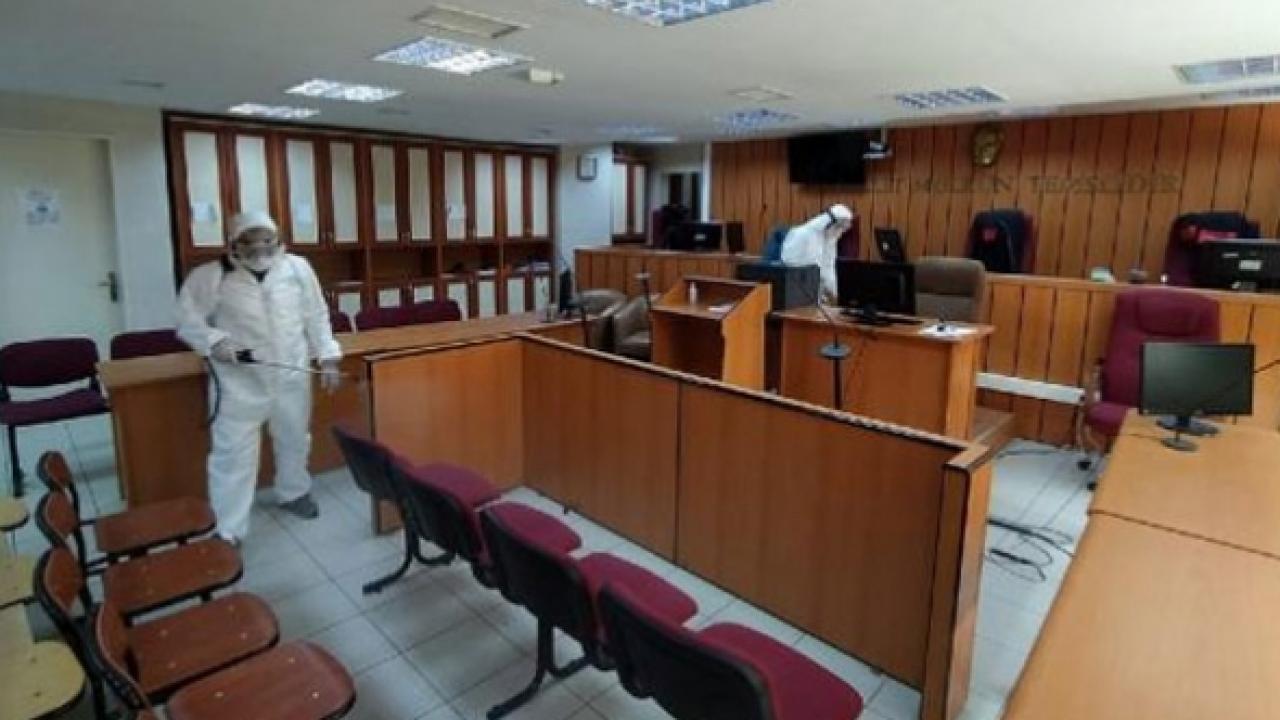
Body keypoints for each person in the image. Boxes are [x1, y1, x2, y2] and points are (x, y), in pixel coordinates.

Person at [177, 210, 342, 545]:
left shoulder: (297, 269)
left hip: (291, 374)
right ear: (234, 243)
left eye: (266, 240)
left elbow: (316, 315)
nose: (259, 248)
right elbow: (186, 319)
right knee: (233, 456)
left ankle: (294, 492)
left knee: (294, 439)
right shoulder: (211, 276)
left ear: (278, 239)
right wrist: (214, 341)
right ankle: (228, 529)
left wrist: (328, 357)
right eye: (249, 241)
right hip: (239, 383)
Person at [780, 204, 855, 302]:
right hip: (796, 294)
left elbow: (828, 268)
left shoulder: (830, 239)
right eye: (839, 227)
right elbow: (791, 269)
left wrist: (837, 294)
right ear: (830, 223)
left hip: (817, 295)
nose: (840, 231)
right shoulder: (801, 234)